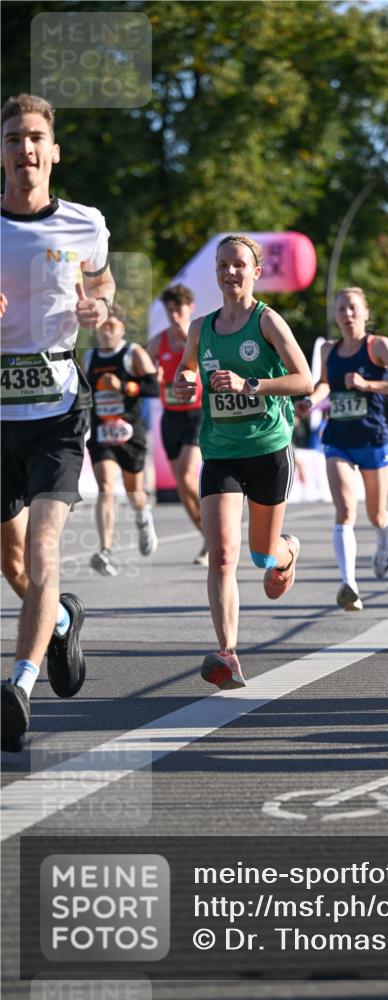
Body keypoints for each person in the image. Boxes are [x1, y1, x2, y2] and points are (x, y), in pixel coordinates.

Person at [1, 93, 115, 751]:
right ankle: (64, 620)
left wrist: (100, 310)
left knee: (44, 547)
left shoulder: (85, 225)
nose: (26, 149)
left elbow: (100, 287)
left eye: (36, 137)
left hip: (57, 410)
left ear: (54, 151)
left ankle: (17, 686)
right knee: (17, 567)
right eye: (14, 138)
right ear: (1, 153)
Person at [173, 234, 313, 689]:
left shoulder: (267, 321)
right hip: (221, 451)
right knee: (222, 555)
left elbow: (303, 379)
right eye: (222, 265)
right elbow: (187, 370)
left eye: (238, 265)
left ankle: (288, 551)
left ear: (256, 272)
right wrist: (186, 383)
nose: (229, 272)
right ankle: (227, 653)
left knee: (262, 557)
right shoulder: (201, 327)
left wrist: (251, 385)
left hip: (269, 448)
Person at [297, 288, 388, 611]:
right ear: (335, 316)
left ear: (365, 313)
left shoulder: (378, 346)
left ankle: (385, 539)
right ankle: (349, 584)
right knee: (345, 511)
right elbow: (324, 384)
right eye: (341, 309)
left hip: (373, 439)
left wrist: (367, 385)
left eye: (352, 309)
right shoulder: (328, 351)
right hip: (338, 439)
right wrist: (310, 401)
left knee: (376, 514)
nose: (346, 315)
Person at [83, 306, 159, 574]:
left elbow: (154, 387)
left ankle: (142, 515)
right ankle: (105, 550)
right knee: (105, 486)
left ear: (123, 328)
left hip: (130, 432)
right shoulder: (89, 357)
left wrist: (124, 386)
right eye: (103, 324)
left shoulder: (133, 353)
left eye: (112, 324)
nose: (107, 329)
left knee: (133, 491)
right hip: (102, 433)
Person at [147, 283, 207, 564]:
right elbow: (140, 371)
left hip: (196, 415)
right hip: (170, 417)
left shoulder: (197, 339)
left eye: (179, 309)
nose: (174, 315)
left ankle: (214, 531)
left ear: (190, 309)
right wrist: (151, 376)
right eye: (169, 310)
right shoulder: (158, 342)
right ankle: (208, 535)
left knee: (185, 475)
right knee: (183, 487)